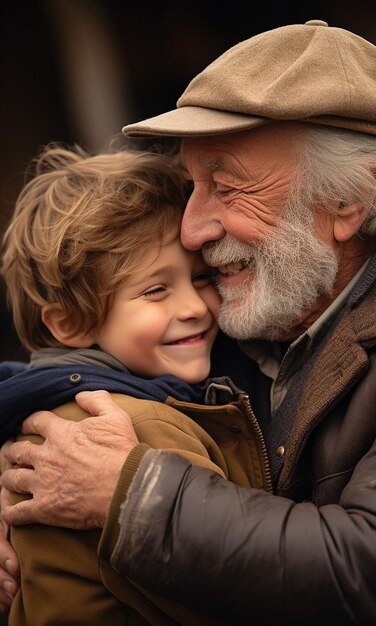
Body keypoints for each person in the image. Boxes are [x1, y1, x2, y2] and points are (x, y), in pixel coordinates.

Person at [2, 18, 376, 625]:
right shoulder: (237, 313)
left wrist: (131, 494)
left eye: (226, 186)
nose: (192, 230)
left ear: (347, 201)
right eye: (192, 183)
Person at [0, 144, 271, 625]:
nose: (194, 307)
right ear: (70, 324)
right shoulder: (131, 428)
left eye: (202, 277)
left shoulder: (44, 412)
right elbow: (242, 589)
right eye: (155, 290)